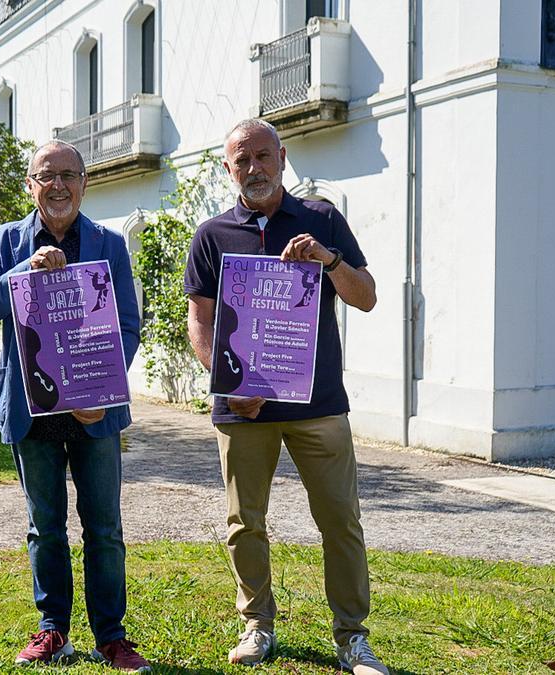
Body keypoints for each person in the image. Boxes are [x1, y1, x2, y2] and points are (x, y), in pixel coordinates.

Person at [183, 119, 387, 674]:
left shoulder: (320, 218)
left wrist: (330, 260)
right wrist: (230, 382)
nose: (254, 168)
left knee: (340, 520)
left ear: (282, 156)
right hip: (243, 408)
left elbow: (366, 297)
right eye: (241, 160)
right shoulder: (212, 235)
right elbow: (200, 325)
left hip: (318, 404)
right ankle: (257, 624)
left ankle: (352, 637)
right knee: (244, 522)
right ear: (228, 169)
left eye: (263, 156)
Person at [0, 140, 151, 673]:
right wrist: (24, 271)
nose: (59, 185)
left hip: (95, 413)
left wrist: (98, 393)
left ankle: (111, 636)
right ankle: (53, 630)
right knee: (44, 527)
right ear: (31, 185)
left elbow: (128, 328)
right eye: (47, 176)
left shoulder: (109, 244)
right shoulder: (5, 242)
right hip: (33, 410)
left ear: (84, 183)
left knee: (105, 529)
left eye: (69, 175)